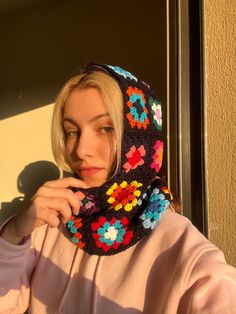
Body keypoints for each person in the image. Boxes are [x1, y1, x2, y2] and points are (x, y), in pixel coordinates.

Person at [0, 63, 236, 314]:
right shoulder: (48, 227)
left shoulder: (180, 247)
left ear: (141, 137)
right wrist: (13, 235)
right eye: (72, 131)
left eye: (105, 128)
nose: (81, 151)